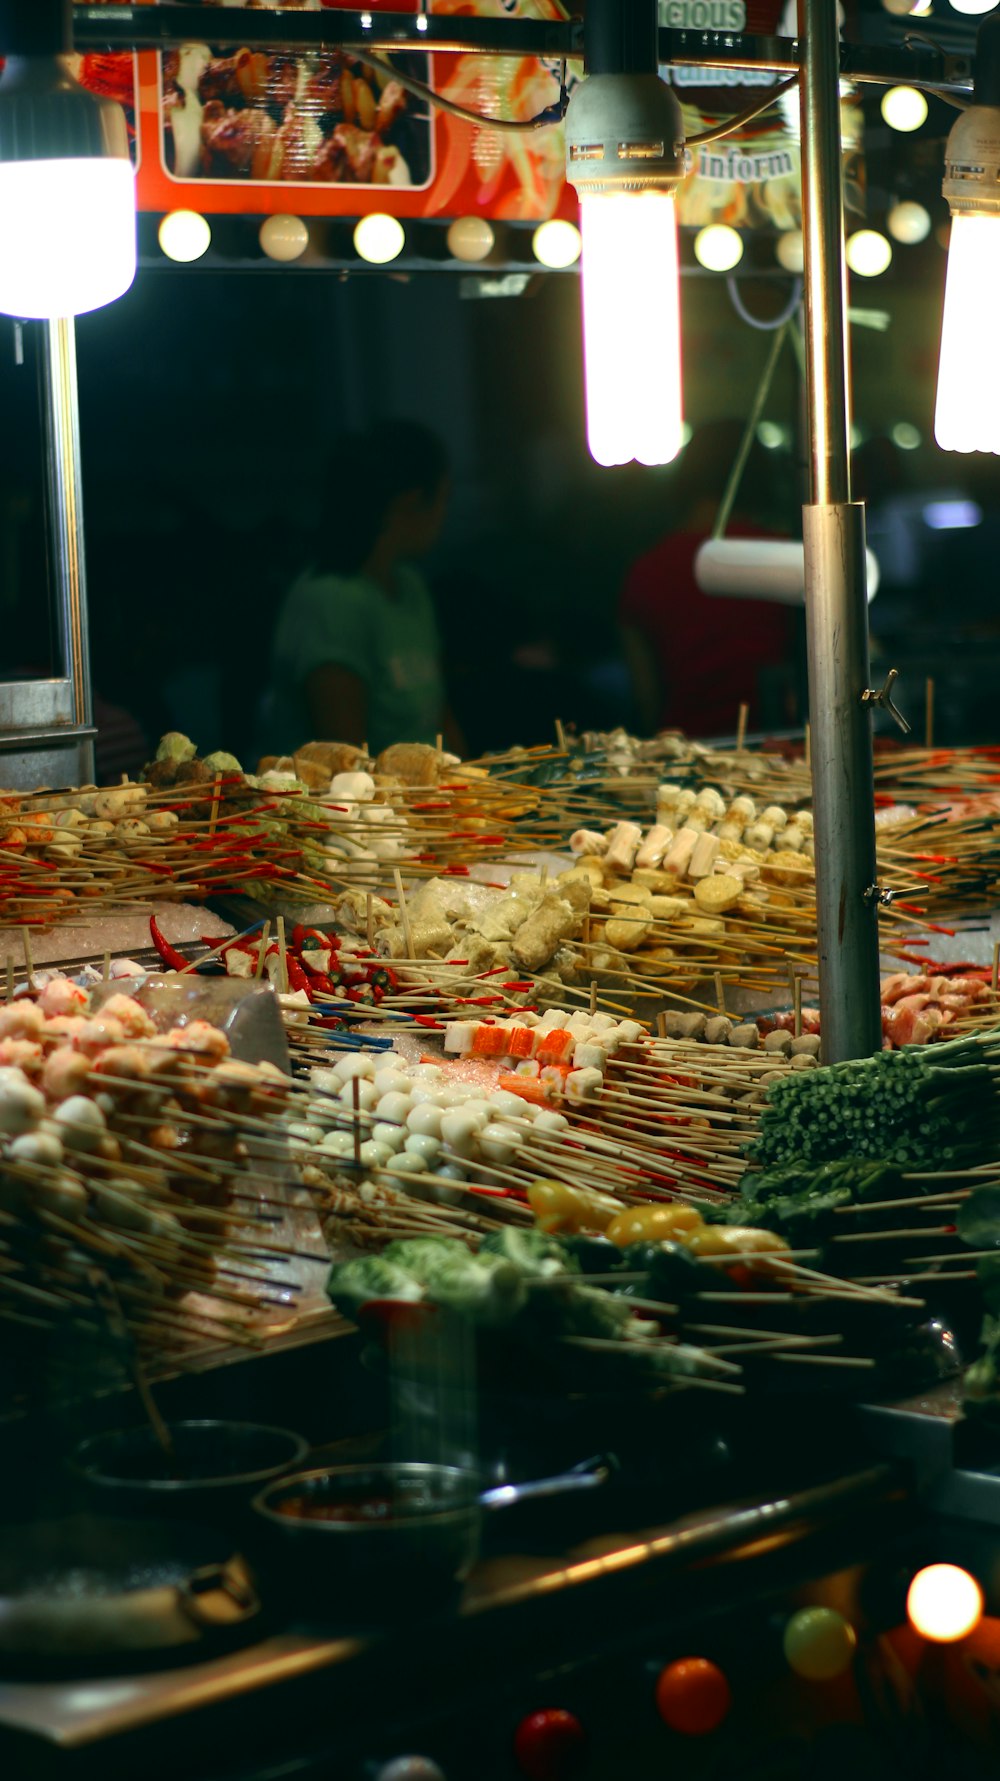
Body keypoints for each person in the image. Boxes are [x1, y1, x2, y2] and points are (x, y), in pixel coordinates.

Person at [262, 420, 455, 758]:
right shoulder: (330, 601)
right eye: (442, 499)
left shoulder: (410, 588)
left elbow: (439, 718)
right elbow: (344, 753)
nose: (444, 514)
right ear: (411, 502)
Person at [619, 421, 798, 739]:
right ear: (762, 474)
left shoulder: (646, 569)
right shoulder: (787, 557)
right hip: (782, 747)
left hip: (685, 753)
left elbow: (645, 696)